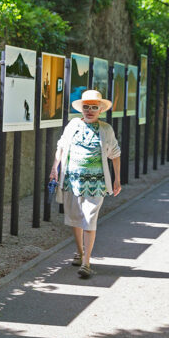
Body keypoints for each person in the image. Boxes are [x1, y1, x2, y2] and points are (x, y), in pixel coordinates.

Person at [49, 89, 121, 278]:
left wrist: (117, 179)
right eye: (86, 107)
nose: (89, 111)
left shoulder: (106, 129)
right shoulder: (72, 125)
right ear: (81, 109)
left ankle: (86, 263)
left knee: (89, 218)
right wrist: (54, 169)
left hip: (95, 184)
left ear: (100, 110)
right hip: (72, 181)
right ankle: (80, 253)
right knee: (75, 218)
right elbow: (61, 147)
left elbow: (115, 154)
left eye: (94, 108)